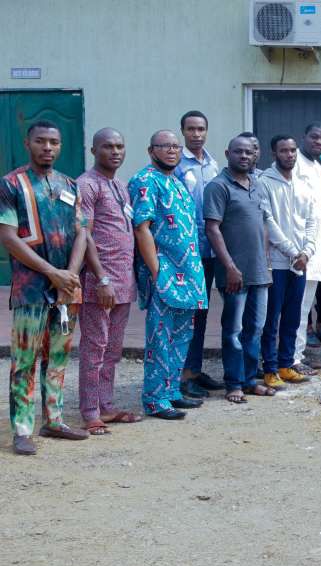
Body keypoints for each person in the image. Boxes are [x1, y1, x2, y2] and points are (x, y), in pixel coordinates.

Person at [0, 121, 90, 453]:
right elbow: (8, 238)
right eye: (41, 141)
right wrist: (53, 272)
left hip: (67, 287)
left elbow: (82, 231)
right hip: (31, 288)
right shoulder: (11, 185)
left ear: (61, 146)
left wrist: (70, 274)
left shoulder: (70, 185)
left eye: (54, 142)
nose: (48, 147)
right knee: (25, 359)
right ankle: (22, 429)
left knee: (59, 357)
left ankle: (54, 420)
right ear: (28, 143)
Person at [130, 130, 208, 421]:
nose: (172, 151)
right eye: (166, 146)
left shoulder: (175, 182)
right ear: (152, 150)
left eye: (176, 146)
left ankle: (172, 390)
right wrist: (157, 271)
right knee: (160, 338)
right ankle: (155, 399)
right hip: (164, 273)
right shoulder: (145, 181)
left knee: (182, 335)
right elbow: (142, 228)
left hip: (188, 274)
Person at [76, 128, 142, 435]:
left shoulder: (119, 185)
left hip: (123, 282)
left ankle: (106, 404)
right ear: (94, 151)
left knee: (113, 349)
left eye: (120, 146)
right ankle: (90, 411)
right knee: (94, 348)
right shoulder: (87, 185)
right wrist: (101, 278)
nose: (115, 151)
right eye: (108, 146)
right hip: (98, 283)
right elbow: (84, 234)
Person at [203, 136, 274, 403]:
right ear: (227, 153)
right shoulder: (218, 187)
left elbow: (263, 224)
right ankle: (233, 383)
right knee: (233, 331)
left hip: (259, 272)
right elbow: (212, 228)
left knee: (255, 328)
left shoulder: (256, 184)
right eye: (238, 152)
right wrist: (230, 267)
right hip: (234, 274)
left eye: (249, 152)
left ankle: (249, 380)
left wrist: (266, 260)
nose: (244, 156)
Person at [259, 134, 319, 390]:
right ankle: (270, 369)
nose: (290, 155)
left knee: (293, 317)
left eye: (293, 150)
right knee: (272, 318)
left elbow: (312, 221)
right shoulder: (264, 182)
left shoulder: (304, 184)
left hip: (299, 264)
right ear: (274, 154)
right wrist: (293, 252)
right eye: (284, 151)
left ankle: (286, 363)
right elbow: (267, 221)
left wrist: (306, 252)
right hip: (278, 264)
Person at [174, 110, 223, 399]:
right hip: (188, 251)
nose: (196, 134)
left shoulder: (213, 163)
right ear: (183, 131)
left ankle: (195, 370)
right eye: (191, 129)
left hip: (212, 248)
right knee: (189, 314)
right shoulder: (176, 164)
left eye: (201, 128)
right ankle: (182, 374)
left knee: (204, 312)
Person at [290, 123, 321, 372]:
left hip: (316, 246)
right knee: (293, 307)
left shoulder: (320, 169)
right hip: (296, 249)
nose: (319, 142)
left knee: (305, 306)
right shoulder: (293, 165)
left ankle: (298, 354)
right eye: (314, 137)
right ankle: (290, 358)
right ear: (303, 138)